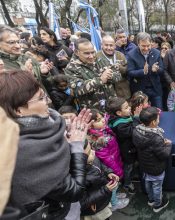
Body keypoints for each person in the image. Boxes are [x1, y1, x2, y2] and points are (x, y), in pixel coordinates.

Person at [0, 70, 91, 219]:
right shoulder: (20, 151)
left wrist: (69, 137)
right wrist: (76, 146)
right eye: (41, 98)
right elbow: (74, 191)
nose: (48, 101)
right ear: (18, 110)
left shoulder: (47, 123)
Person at [132, 107, 172, 213]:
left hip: (144, 166)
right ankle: (158, 205)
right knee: (157, 187)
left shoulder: (136, 130)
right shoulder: (156, 138)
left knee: (148, 182)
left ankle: (150, 200)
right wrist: (168, 145)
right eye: (158, 119)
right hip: (156, 168)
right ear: (154, 122)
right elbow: (164, 155)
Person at [65, 38, 122, 110]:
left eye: (92, 52)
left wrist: (110, 76)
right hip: (94, 111)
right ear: (76, 52)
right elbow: (77, 90)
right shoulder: (71, 68)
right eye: (87, 53)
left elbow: (118, 76)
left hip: (111, 105)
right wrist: (101, 80)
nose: (91, 56)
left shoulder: (99, 59)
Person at [0, 25, 53, 93]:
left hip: (44, 101)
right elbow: (8, 95)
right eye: (11, 42)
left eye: (18, 42)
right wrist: (26, 75)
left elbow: (48, 84)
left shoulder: (27, 58)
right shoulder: (1, 66)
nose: (18, 46)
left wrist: (44, 74)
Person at [107, 97, 141, 195]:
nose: (129, 108)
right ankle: (127, 184)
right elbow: (132, 131)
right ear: (119, 113)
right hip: (127, 151)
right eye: (126, 107)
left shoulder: (123, 117)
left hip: (131, 148)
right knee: (128, 167)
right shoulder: (120, 125)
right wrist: (136, 117)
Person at [80, 143, 117, 220]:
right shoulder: (79, 177)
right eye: (89, 152)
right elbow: (82, 203)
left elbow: (100, 165)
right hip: (94, 209)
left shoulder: (92, 159)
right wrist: (105, 190)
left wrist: (108, 172)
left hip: (101, 200)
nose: (93, 151)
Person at [127, 32, 164, 109]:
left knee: (159, 111)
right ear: (138, 44)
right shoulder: (131, 54)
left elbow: (162, 70)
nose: (146, 48)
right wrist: (143, 71)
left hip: (155, 89)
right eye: (143, 46)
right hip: (140, 90)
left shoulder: (156, 53)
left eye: (148, 45)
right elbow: (130, 72)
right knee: (142, 114)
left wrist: (156, 70)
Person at [96, 35, 131, 100]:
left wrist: (121, 68)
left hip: (122, 92)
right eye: (106, 45)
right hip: (107, 94)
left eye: (111, 45)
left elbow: (128, 70)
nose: (109, 48)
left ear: (115, 45)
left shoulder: (120, 55)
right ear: (102, 45)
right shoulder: (96, 57)